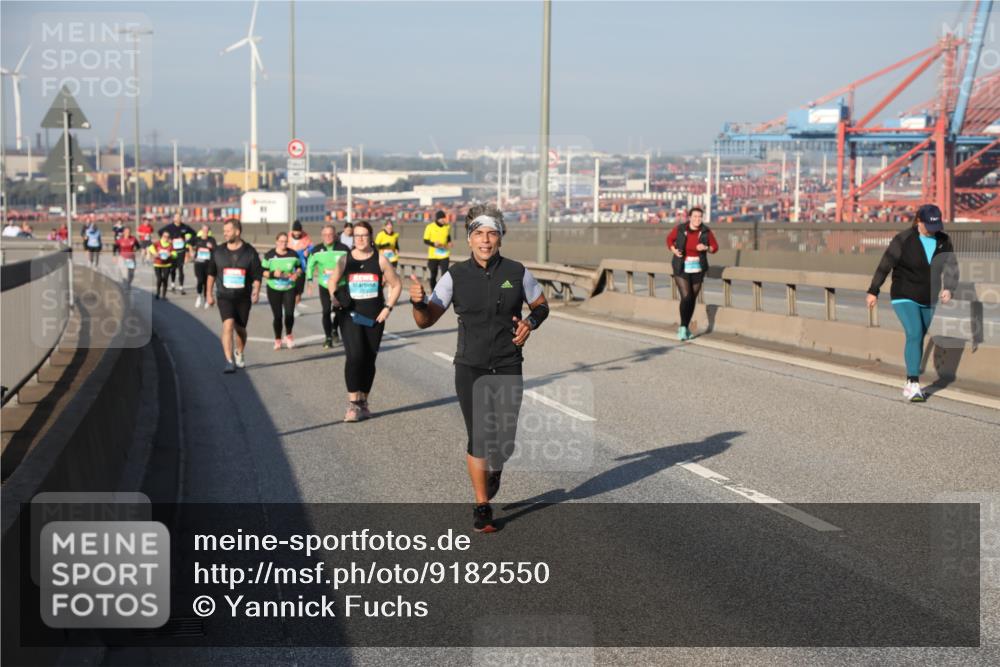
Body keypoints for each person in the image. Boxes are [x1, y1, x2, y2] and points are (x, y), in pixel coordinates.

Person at [409, 204, 549, 533]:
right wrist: (417, 303)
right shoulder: (454, 276)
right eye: (478, 234)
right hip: (470, 366)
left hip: (508, 363)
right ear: (469, 240)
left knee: (505, 439)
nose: (485, 240)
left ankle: (496, 468)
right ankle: (482, 505)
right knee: (480, 436)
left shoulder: (517, 272)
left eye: (491, 234)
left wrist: (530, 322)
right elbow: (426, 320)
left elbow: (542, 306)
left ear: (500, 238)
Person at [866, 204, 959, 402]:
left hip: (929, 296)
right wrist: (873, 291)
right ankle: (913, 383)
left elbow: (951, 267)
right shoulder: (903, 240)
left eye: (937, 225)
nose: (935, 230)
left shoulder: (944, 240)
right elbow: (885, 265)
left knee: (919, 336)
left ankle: (911, 380)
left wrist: (949, 287)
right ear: (919, 221)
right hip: (904, 294)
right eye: (930, 226)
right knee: (915, 332)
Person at [327, 221, 402, 422]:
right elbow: (332, 280)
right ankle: (352, 405)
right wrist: (334, 296)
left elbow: (396, 285)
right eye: (357, 235)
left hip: (374, 317)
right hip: (349, 315)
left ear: (371, 237)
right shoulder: (345, 260)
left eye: (364, 235)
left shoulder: (381, 260)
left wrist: (388, 308)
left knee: (369, 359)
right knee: (355, 357)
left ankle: (363, 402)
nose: (360, 239)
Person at [206, 219, 263, 374]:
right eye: (224, 231)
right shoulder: (218, 251)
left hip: (243, 297)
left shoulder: (250, 252)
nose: (225, 233)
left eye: (228, 231)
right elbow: (211, 274)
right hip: (224, 296)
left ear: (237, 232)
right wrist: (208, 294)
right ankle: (229, 361)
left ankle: (239, 352)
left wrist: (256, 290)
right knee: (228, 325)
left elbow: (257, 274)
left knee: (241, 329)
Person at [666, 206, 718, 341]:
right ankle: (683, 328)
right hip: (681, 266)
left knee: (692, 299)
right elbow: (669, 240)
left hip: (698, 268)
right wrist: (674, 250)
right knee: (687, 297)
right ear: (689, 218)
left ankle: (685, 327)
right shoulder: (680, 229)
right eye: (694, 217)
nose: (697, 219)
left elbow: (715, 247)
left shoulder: (706, 231)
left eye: (700, 217)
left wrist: (706, 248)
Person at [306, 224, 350, 348]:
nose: (328, 237)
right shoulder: (316, 250)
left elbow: (351, 264)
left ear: (335, 235)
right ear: (322, 236)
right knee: (326, 311)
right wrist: (309, 281)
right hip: (324, 286)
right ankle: (328, 338)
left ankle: (335, 328)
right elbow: (310, 266)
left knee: (339, 312)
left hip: (340, 285)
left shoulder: (344, 248)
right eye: (325, 234)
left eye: (330, 234)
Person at [262, 232, 303, 350]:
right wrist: (273, 273)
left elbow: (300, 268)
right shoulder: (269, 255)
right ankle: (278, 339)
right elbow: (262, 271)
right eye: (281, 241)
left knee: (289, 314)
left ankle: (289, 336)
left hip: (289, 288)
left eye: (285, 241)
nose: (283, 244)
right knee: (278, 316)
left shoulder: (293, 254)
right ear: (276, 242)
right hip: (274, 289)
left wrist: (296, 274)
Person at [159, 214, 197, 294]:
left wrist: (188, 241)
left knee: (181, 268)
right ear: (174, 219)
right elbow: (160, 232)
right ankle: (173, 285)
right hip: (173, 251)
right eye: (177, 218)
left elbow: (194, 233)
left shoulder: (185, 227)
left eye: (180, 217)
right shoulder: (169, 227)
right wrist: (167, 239)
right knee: (172, 269)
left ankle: (181, 287)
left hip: (181, 251)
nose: (179, 219)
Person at [287, 220, 313, 317]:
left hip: (301, 268)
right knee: (289, 289)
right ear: (292, 231)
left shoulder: (306, 237)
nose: (297, 233)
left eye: (299, 231)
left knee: (299, 291)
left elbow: (311, 247)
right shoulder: (287, 237)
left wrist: (308, 251)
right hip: (289, 268)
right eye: (295, 231)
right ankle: (289, 307)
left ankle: (294, 307)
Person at [423, 210, 452, 289]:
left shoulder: (447, 226)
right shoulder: (430, 227)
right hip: (433, 255)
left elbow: (448, 236)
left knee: (445, 274)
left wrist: (449, 242)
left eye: (444, 218)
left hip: (444, 254)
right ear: (437, 219)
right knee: (433, 274)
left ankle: (443, 292)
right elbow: (425, 240)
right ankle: (433, 291)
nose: (443, 220)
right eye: (441, 218)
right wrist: (433, 244)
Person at [189, 225, 217, 308]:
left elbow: (216, 249)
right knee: (200, 281)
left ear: (208, 231)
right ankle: (199, 297)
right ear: (201, 230)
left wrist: (212, 247)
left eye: (207, 230)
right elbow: (189, 244)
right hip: (199, 263)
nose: (205, 231)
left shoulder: (211, 240)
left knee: (206, 282)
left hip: (208, 264)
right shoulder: (197, 239)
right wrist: (191, 252)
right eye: (204, 230)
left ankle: (206, 299)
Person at [147, 231, 178, 300]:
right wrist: (155, 253)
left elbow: (175, 254)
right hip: (157, 264)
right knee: (159, 279)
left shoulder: (170, 245)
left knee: (165, 280)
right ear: (162, 236)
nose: (166, 238)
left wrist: (172, 254)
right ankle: (158, 293)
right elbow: (150, 248)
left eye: (167, 237)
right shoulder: (157, 243)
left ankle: (164, 295)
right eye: (164, 236)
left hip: (167, 264)